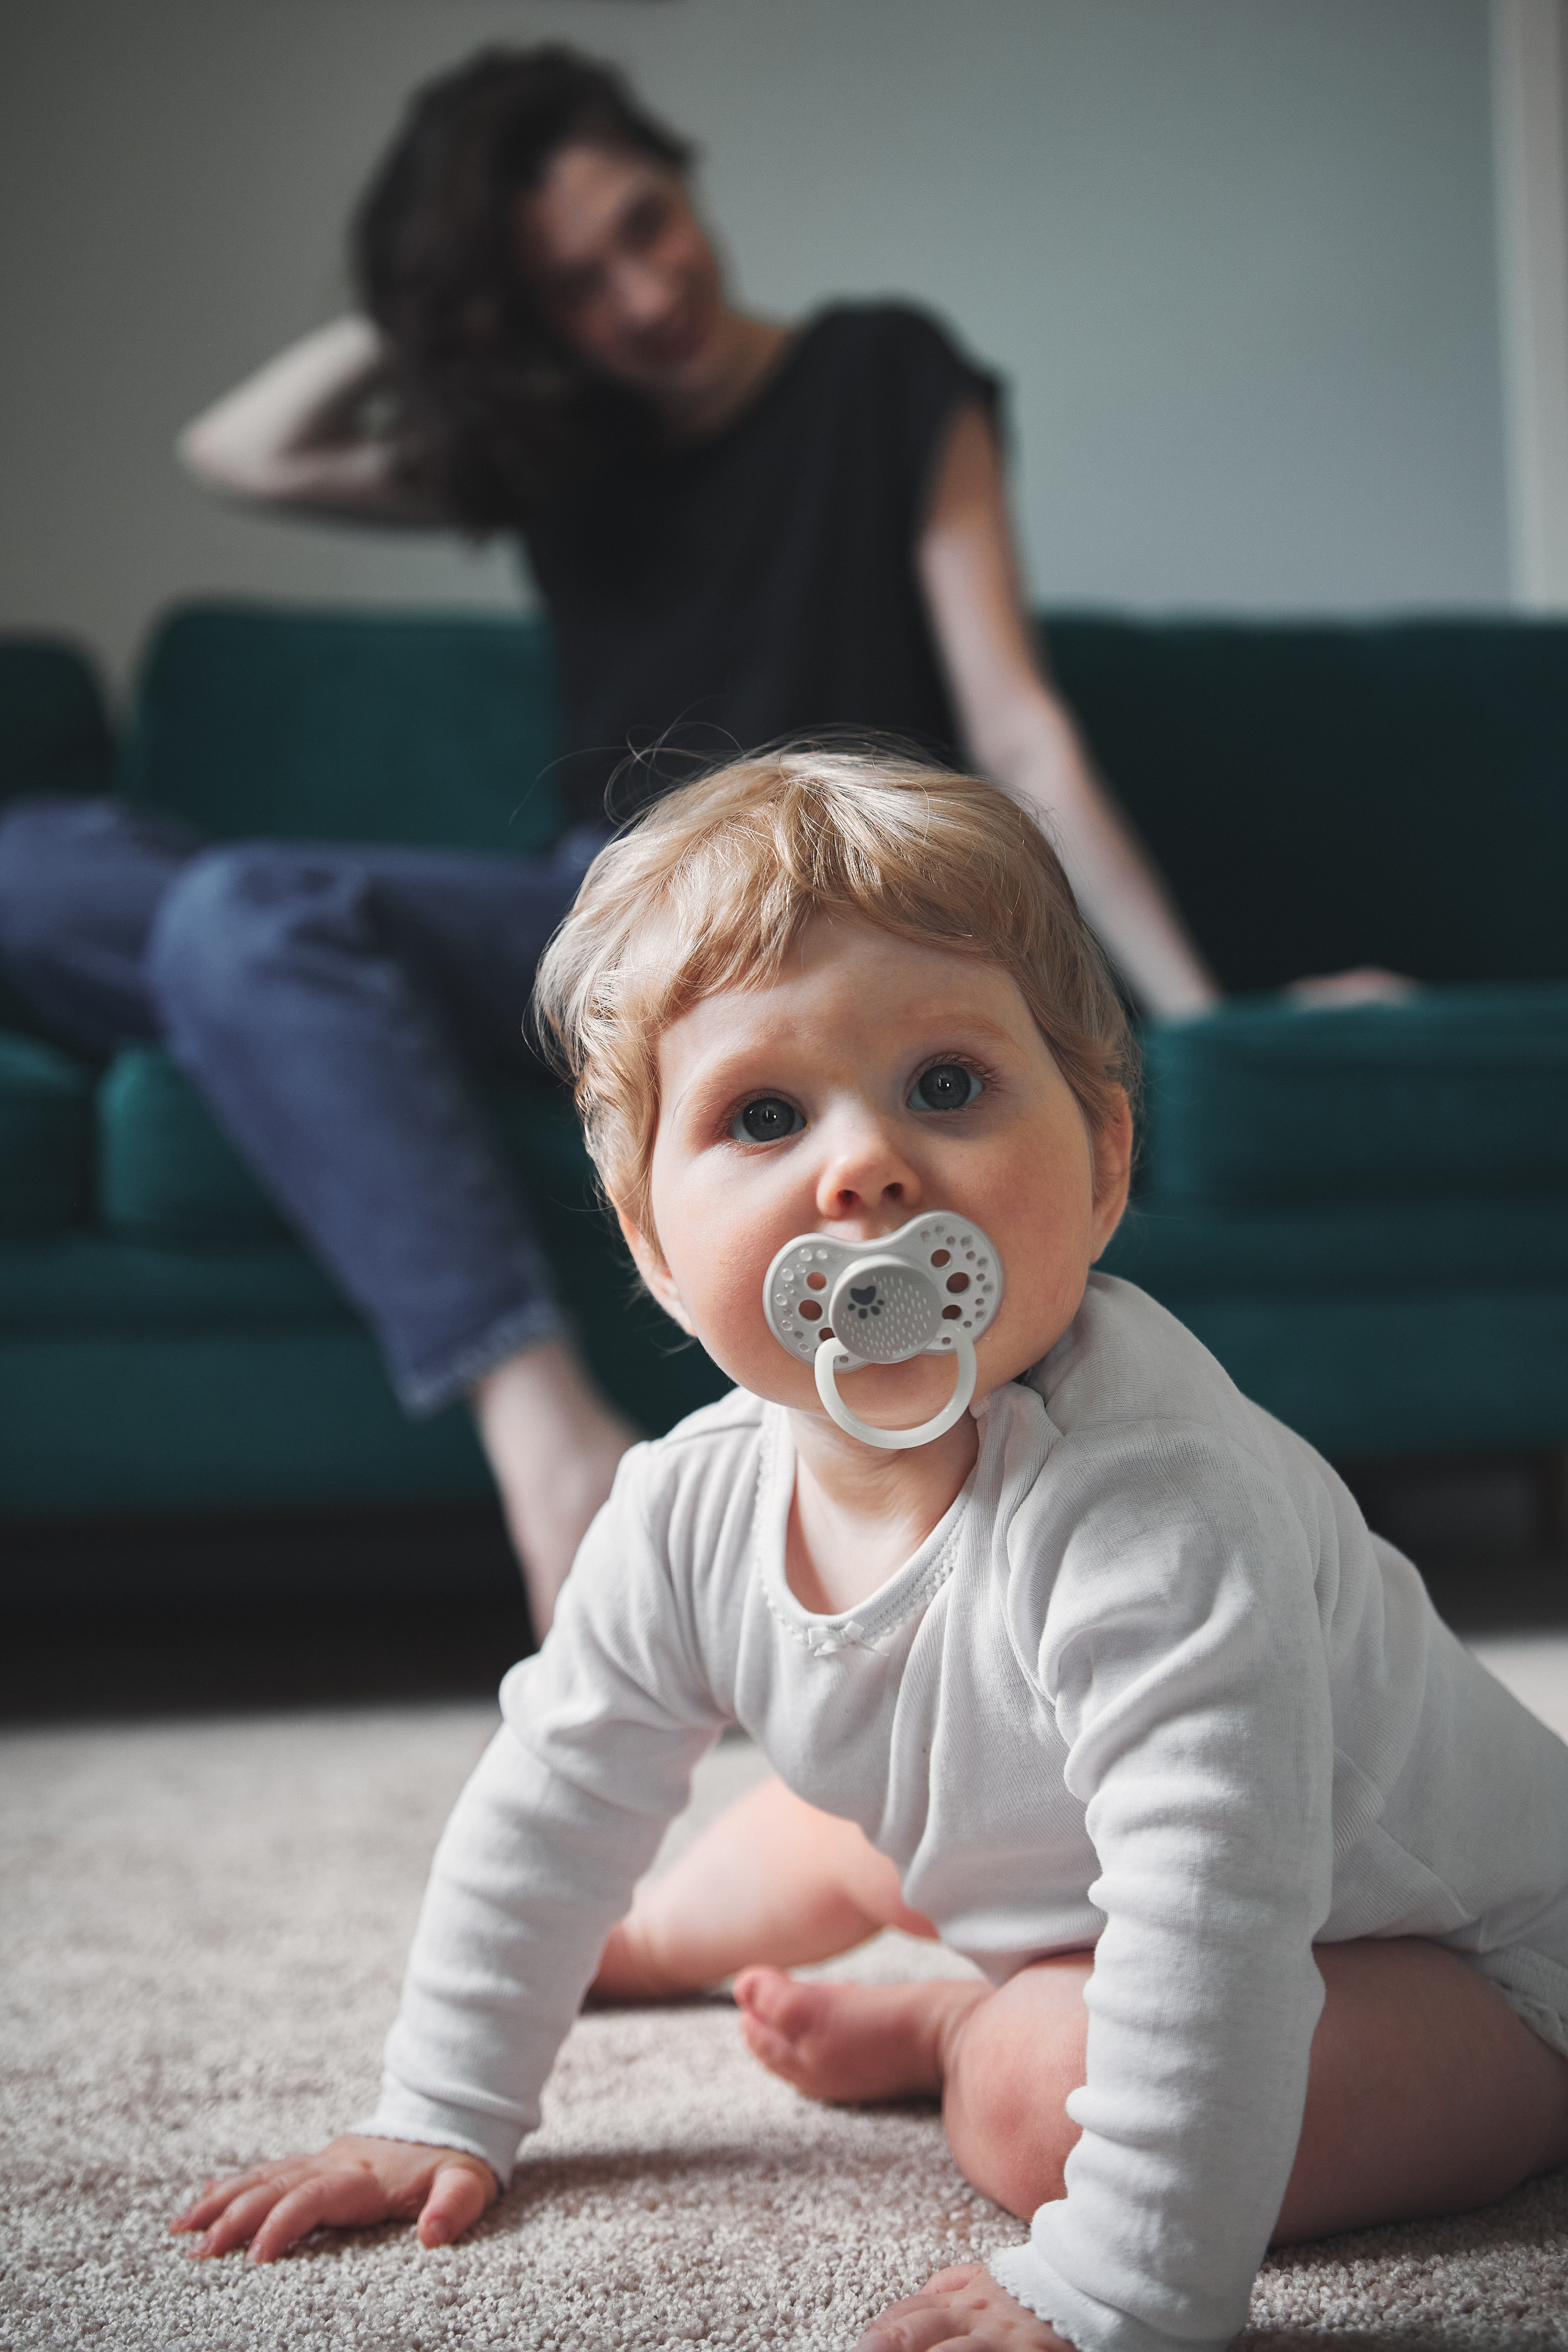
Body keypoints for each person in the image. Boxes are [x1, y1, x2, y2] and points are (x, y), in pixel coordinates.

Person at [169, 750, 1568, 2352]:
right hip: (1063, 1852)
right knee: (818, 1817)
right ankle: (677, 1949)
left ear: (1104, 1164)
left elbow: (1216, 1915)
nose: (866, 1169)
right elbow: (552, 1788)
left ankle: (961, 2031)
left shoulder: (1152, 1518)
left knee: (1045, 2092)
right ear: (650, 1240)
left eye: (948, 1085)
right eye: (765, 1115)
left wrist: (1126, 2281)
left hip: (1452, 1965)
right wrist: (441, 2100)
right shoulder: (690, 1508)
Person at [0, 45, 1221, 1637]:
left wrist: (1195, 1015)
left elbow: (1015, 726)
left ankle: (534, 1428)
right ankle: (463, 1277)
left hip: (818, 915)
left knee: (238, 915)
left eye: (646, 224)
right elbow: (242, 451)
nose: (643, 295)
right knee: (61, 875)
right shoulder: (562, 444)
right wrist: (455, 309)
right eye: (577, 284)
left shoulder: (881, 376)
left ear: (683, 173)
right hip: (594, 917)